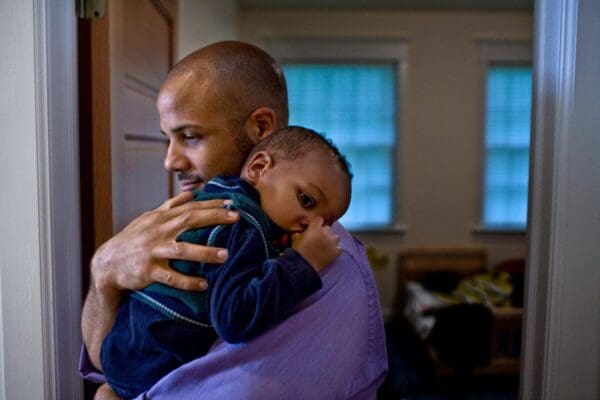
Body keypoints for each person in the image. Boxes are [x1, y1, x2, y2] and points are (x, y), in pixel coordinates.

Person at [81, 40, 388, 400]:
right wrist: (104, 273)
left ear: (260, 127)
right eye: (168, 139)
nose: (171, 162)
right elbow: (103, 366)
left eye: (191, 137)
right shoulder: (193, 220)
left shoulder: (326, 265)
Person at [100, 126, 352, 399]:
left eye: (325, 222)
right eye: (306, 200)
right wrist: (304, 262)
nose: (311, 226)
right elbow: (235, 319)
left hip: (123, 353)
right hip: (149, 371)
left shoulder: (220, 195)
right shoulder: (240, 225)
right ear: (258, 168)